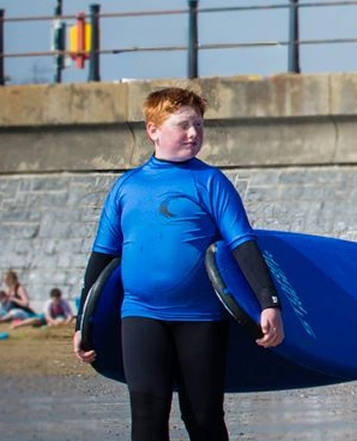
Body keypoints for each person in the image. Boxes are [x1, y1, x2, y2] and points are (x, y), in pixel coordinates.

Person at [73, 87, 288, 441]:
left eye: (199, 126)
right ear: (153, 129)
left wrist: (268, 302)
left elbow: (242, 244)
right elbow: (103, 260)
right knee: (147, 418)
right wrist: (84, 322)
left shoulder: (210, 182)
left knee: (203, 418)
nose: (194, 134)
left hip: (200, 318)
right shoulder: (127, 187)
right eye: (184, 125)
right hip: (140, 314)